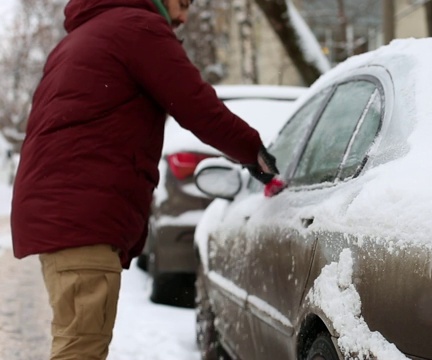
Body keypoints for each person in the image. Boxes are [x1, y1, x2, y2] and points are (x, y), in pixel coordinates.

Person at [10, 0, 278, 359]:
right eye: (183, 3)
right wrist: (255, 152)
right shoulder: (137, 27)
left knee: (75, 342)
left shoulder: (83, 37)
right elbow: (198, 106)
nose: (183, 17)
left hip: (65, 211)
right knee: (81, 349)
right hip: (83, 216)